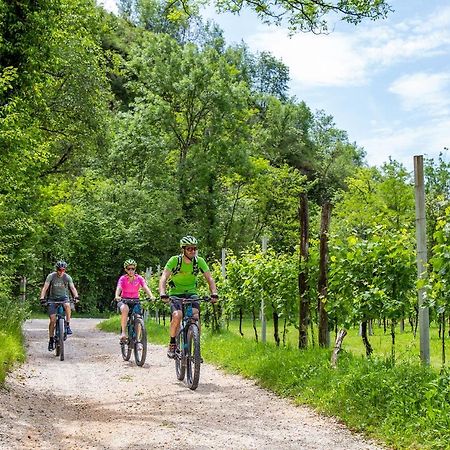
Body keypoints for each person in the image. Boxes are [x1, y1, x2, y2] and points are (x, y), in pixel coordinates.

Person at [159, 235, 218, 358]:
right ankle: (172, 343)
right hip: (176, 294)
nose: (192, 251)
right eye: (189, 249)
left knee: (195, 316)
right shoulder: (175, 260)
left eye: (194, 248)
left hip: (191, 293)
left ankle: (196, 348)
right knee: (177, 315)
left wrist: (214, 293)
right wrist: (163, 293)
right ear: (183, 249)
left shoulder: (199, 261)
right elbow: (164, 277)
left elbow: (209, 278)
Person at [39, 260, 79, 351]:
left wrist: (76, 296)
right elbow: (45, 287)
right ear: (56, 270)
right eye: (59, 270)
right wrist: (42, 297)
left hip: (64, 298)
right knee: (52, 320)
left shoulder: (67, 277)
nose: (61, 272)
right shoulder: (51, 276)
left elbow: (72, 288)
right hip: (52, 299)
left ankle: (67, 325)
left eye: (63, 270)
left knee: (67, 305)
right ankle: (51, 339)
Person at [114, 258, 155, 342]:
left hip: (135, 300)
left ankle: (137, 339)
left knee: (138, 316)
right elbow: (119, 287)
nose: (131, 271)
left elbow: (145, 287)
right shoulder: (123, 279)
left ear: (135, 269)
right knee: (125, 309)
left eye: (133, 269)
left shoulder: (139, 278)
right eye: (129, 269)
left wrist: (151, 296)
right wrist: (117, 296)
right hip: (124, 300)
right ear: (126, 269)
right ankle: (123, 333)